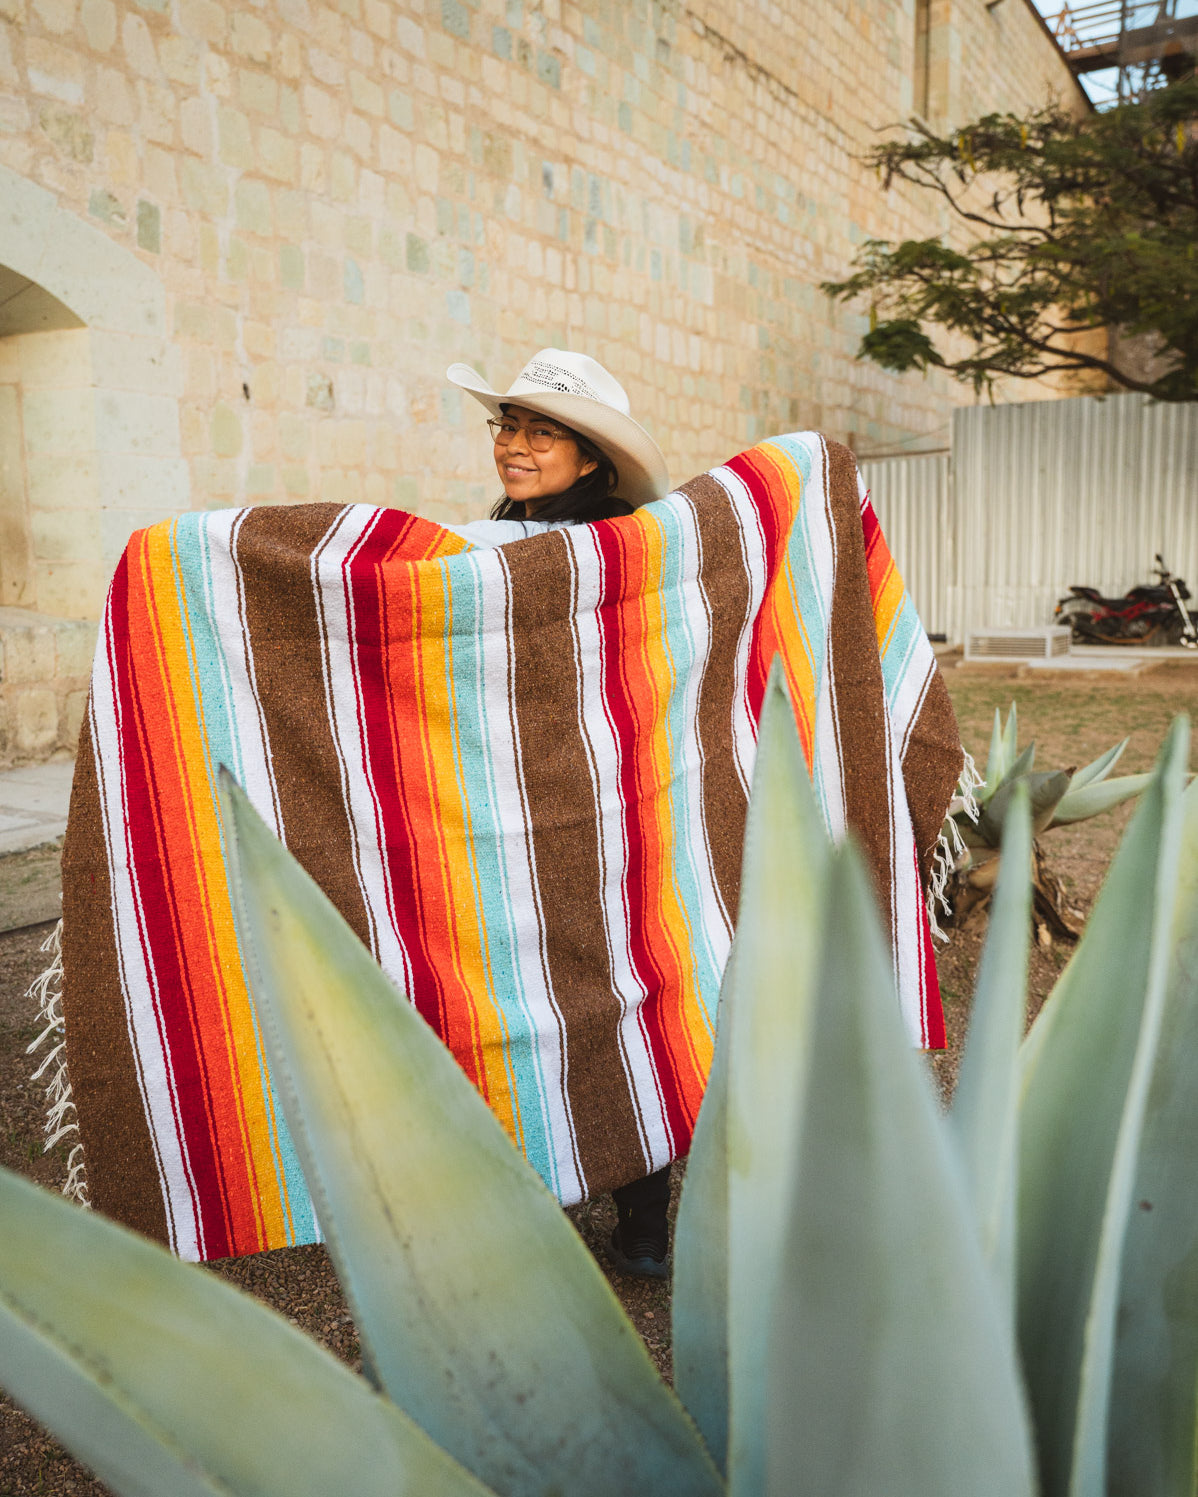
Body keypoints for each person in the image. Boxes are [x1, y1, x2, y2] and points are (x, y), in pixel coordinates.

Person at [446, 348, 675, 1278]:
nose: (515, 444)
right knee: (506, 996)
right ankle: (527, 1191)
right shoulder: (482, 540)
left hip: (598, 808)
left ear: (590, 461)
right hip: (499, 801)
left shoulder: (631, 549)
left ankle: (644, 1213)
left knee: (613, 992)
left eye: (543, 431)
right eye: (508, 424)